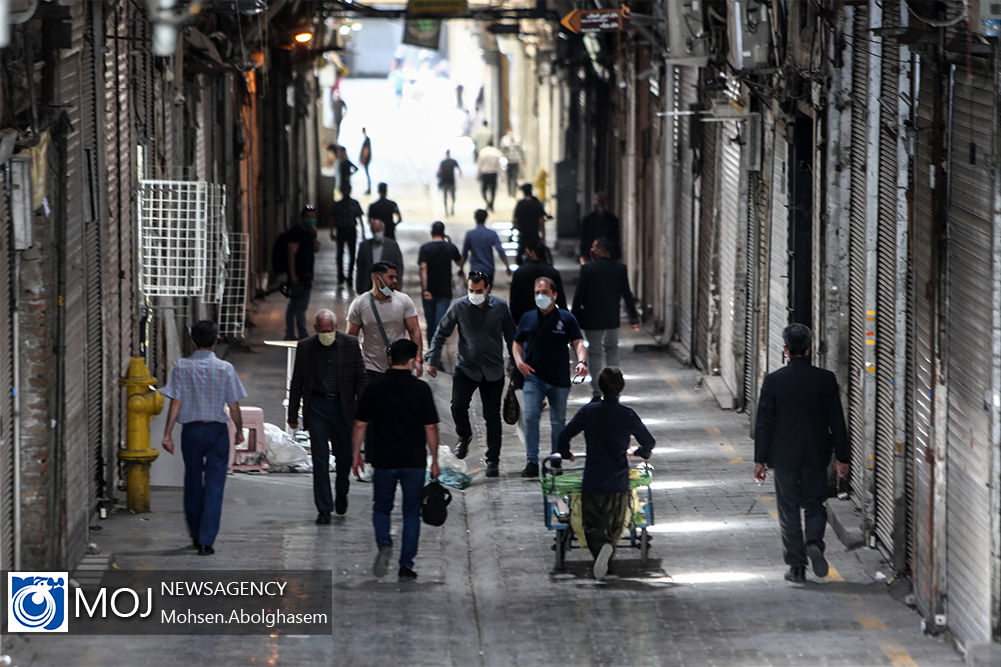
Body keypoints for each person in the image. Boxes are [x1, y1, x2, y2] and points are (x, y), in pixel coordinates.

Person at [753, 323, 850, 583]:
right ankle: (814, 542)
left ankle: (796, 567)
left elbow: (763, 423)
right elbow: (837, 421)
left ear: (785, 349)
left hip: (783, 456)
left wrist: (759, 460)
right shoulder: (825, 379)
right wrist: (843, 457)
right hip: (817, 454)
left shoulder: (773, 381)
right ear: (809, 349)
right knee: (815, 504)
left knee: (788, 511)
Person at [352, 339, 440, 581]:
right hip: (413, 460)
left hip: (383, 460)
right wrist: (434, 461)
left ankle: (384, 543)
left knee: (382, 508)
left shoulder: (374, 387)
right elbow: (430, 427)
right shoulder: (421, 390)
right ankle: (406, 565)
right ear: (413, 361)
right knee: (412, 513)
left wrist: (355, 455)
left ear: (389, 359)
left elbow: (360, 423)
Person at [557, 367, 655, 580]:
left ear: (599, 387)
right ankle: (607, 563)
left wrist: (567, 453)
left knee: (592, 525)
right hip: (619, 481)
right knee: (614, 525)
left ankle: (602, 555)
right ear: (622, 389)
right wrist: (639, 452)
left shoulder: (588, 411)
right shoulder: (627, 414)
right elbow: (649, 442)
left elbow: (563, 435)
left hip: (594, 480)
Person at [161, 320, 247, 556]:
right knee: (214, 484)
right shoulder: (225, 369)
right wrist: (239, 429)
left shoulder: (181, 367)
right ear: (216, 341)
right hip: (217, 432)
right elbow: (234, 404)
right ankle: (207, 541)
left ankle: (195, 533)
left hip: (192, 431)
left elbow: (175, 402)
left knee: (192, 482)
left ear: (192, 340)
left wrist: (167, 433)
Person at [426, 271, 516, 478]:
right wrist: (432, 359)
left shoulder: (500, 307)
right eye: (471, 290)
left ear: (487, 289)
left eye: (479, 291)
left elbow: (512, 336)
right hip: (466, 368)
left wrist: (514, 361)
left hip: (493, 371)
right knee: (457, 406)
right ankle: (464, 435)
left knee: (492, 416)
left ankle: (493, 460)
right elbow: (441, 332)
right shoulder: (459, 306)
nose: (474, 294)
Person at [287, 310, 367, 524]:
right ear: (315, 329)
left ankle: (341, 492)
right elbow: (297, 381)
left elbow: (361, 379)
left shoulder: (350, 345)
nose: (326, 334)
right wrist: (293, 413)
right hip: (317, 407)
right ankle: (323, 508)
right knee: (320, 460)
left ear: (336, 328)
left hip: (343, 407)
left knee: (344, 458)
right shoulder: (306, 347)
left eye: (329, 330)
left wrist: (364, 411)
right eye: (322, 331)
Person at [512, 277, 587, 477]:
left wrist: (581, 362)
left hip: (559, 379)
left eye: (544, 292)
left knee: (558, 421)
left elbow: (578, 342)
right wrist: (519, 362)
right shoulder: (528, 318)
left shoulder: (566, 318)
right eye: (537, 293)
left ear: (554, 294)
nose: (540, 296)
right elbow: (517, 343)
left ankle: (555, 460)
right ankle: (531, 461)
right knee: (531, 418)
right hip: (533, 377)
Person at [571, 237, 641, 399]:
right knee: (612, 350)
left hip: (592, 319)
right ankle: (613, 391)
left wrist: (573, 321)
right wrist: (633, 318)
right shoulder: (619, 269)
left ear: (601, 250)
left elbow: (578, 297)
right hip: (612, 319)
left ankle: (597, 392)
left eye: (595, 247)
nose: (592, 250)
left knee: (595, 353)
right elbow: (627, 294)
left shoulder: (587, 269)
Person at [346, 261, 423, 381]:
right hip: (370, 367)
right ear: (377, 279)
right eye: (391, 277)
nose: (395, 281)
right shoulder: (359, 304)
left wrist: (418, 359)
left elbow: (414, 331)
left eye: (395, 277)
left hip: (398, 366)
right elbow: (351, 337)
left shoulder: (404, 301)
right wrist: (351, 365)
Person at [418, 221, 463, 340]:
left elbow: (423, 269)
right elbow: (460, 262)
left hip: (429, 291)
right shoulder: (450, 247)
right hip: (445, 291)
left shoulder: (425, 248)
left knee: (430, 324)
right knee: (439, 324)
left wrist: (425, 289)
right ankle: (435, 355)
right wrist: (451, 244)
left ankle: (432, 355)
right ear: (444, 233)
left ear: (431, 232)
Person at [509, 239, 567, 326]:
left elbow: (514, 300)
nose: (525, 254)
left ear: (532, 253)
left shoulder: (520, 273)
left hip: (526, 319)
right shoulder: (552, 272)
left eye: (526, 252)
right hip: (549, 318)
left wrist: (516, 321)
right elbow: (561, 299)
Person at [284, 205, 319, 340]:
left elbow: (316, 250)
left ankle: (290, 333)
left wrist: (314, 235)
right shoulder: (295, 233)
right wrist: (292, 274)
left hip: (307, 274)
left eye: (313, 217)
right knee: (300, 306)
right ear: (302, 217)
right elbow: (291, 254)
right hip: (298, 275)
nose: (311, 220)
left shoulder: (310, 234)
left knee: (294, 305)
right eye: (308, 217)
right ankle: (302, 335)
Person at [461, 208, 512, 286]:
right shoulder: (492, 234)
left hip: (475, 269)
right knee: (487, 292)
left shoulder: (470, 234)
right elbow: (500, 251)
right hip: (489, 269)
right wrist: (507, 266)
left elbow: (464, 254)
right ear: (486, 218)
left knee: (476, 293)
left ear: (475, 218)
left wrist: (461, 268)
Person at [355, 218, 404, 295]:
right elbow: (360, 267)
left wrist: (399, 282)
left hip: (386, 284)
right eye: (374, 231)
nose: (376, 233)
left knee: (386, 304)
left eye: (378, 231)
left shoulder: (392, 246)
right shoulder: (364, 246)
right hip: (368, 285)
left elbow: (399, 265)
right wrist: (358, 286)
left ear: (383, 230)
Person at [331, 184, 365, 286]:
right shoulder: (336, 205)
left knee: (352, 253)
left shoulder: (354, 204)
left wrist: (363, 231)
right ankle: (340, 276)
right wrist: (332, 231)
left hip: (351, 230)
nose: (346, 192)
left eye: (347, 190)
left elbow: (360, 218)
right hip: (341, 230)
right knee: (340, 254)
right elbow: (333, 219)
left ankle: (350, 276)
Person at [579, 193, 621, 263]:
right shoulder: (588, 220)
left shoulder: (612, 220)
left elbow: (616, 239)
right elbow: (584, 239)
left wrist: (617, 256)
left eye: (602, 201)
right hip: (591, 255)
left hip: (609, 255)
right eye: (599, 201)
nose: (601, 203)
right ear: (595, 202)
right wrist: (582, 256)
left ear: (606, 202)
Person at [512, 183, 547, 264]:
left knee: (519, 257)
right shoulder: (537, 203)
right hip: (534, 235)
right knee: (540, 257)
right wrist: (543, 237)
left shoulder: (520, 204)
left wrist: (518, 228)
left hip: (523, 235)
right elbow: (541, 222)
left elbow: (515, 221)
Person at [475, 142, 503, 212]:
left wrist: (478, 175)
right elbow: (500, 166)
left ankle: (488, 203)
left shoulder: (483, 152)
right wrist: (503, 176)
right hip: (494, 173)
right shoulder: (497, 153)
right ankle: (491, 204)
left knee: (483, 190)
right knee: (493, 190)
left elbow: (479, 165)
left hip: (485, 174)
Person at [500, 128, 525, 199]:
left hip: (515, 161)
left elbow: (521, 151)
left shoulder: (517, 139)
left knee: (514, 177)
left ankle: (513, 192)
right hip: (508, 161)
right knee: (510, 177)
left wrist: (523, 160)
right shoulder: (504, 139)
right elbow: (502, 152)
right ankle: (510, 192)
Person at [437, 150, 461, 217]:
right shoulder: (453, 161)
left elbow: (438, 172)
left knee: (445, 197)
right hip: (451, 181)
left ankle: (447, 212)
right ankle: (451, 210)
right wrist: (460, 174)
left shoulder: (443, 162)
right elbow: (459, 169)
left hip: (445, 182)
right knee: (452, 197)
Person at [359, 127, 372, 195]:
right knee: (367, 174)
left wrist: (363, 159)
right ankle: (369, 189)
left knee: (367, 174)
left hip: (366, 160)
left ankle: (369, 189)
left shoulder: (367, 140)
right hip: (366, 159)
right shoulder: (367, 140)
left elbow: (366, 150)